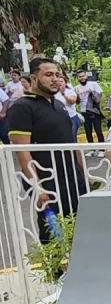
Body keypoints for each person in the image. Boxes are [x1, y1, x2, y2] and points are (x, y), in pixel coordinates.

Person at [6, 58, 88, 242]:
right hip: (48, 181)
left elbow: (70, 142)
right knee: (54, 234)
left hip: (72, 178)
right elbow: (22, 151)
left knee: (80, 229)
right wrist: (37, 186)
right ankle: (57, 271)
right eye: (48, 75)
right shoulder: (22, 107)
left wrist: (84, 172)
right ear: (34, 78)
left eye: (57, 74)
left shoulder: (58, 105)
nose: (55, 79)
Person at [75, 70, 105, 157]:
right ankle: (92, 149)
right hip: (84, 111)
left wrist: (92, 93)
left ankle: (102, 149)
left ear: (86, 76)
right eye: (80, 76)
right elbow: (77, 102)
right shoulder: (76, 88)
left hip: (95, 111)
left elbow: (99, 96)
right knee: (88, 131)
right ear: (77, 78)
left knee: (98, 130)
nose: (82, 78)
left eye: (83, 76)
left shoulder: (93, 84)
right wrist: (77, 96)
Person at [54, 75, 79, 141]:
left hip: (71, 118)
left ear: (65, 83)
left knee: (72, 138)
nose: (59, 83)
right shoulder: (53, 93)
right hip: (58, 118)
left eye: (61, 81)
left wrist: (63, 94)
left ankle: (75, 151)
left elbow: (72, 101)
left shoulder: (70, 91)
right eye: (58, 81)